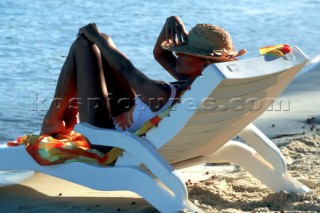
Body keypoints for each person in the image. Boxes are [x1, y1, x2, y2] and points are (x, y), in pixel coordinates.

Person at [40, 16, 245, 139]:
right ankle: (61, 116)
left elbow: (125, 68)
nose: (178, 53)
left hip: (105, 135)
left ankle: (53, 119)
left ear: (204, 62)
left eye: (186, 52)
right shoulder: (199, 83)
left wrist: (94, 36)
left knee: (84, 45)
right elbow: (160, 54)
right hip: (130, 115)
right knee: (103, 42)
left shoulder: (162, 94)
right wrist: (171, 22)